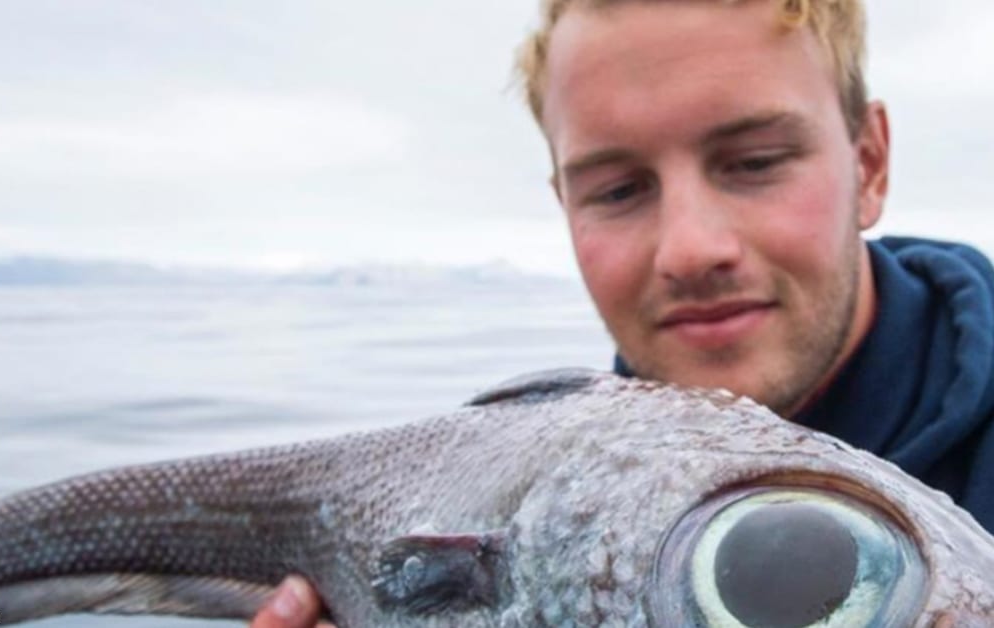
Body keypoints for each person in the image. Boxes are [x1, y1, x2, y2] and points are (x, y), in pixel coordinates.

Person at [250, 0, 994, 624]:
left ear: (869, 163)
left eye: (756, 161)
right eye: (616, 190)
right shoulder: (518, 494)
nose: (689, 249)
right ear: (565, 208)